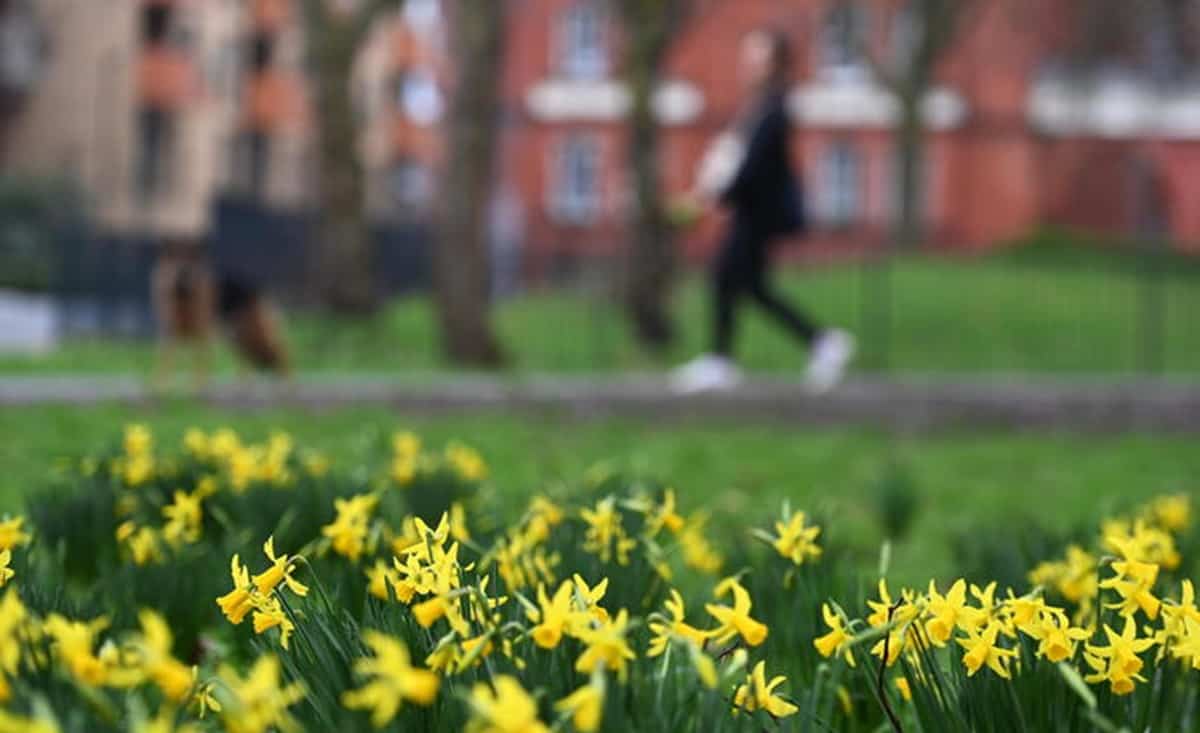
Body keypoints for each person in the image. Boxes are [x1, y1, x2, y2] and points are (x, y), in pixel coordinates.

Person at [673, 28, 854, 393]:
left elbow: (754, 165)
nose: (750, 62)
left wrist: (719, 196)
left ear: (775, 62)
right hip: (749, 209)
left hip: (759, 213)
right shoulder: (760, 106)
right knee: (749, 286)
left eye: (758, 55)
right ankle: (821, 342)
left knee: (725, 275)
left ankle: (722, 360)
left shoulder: (775, 108)